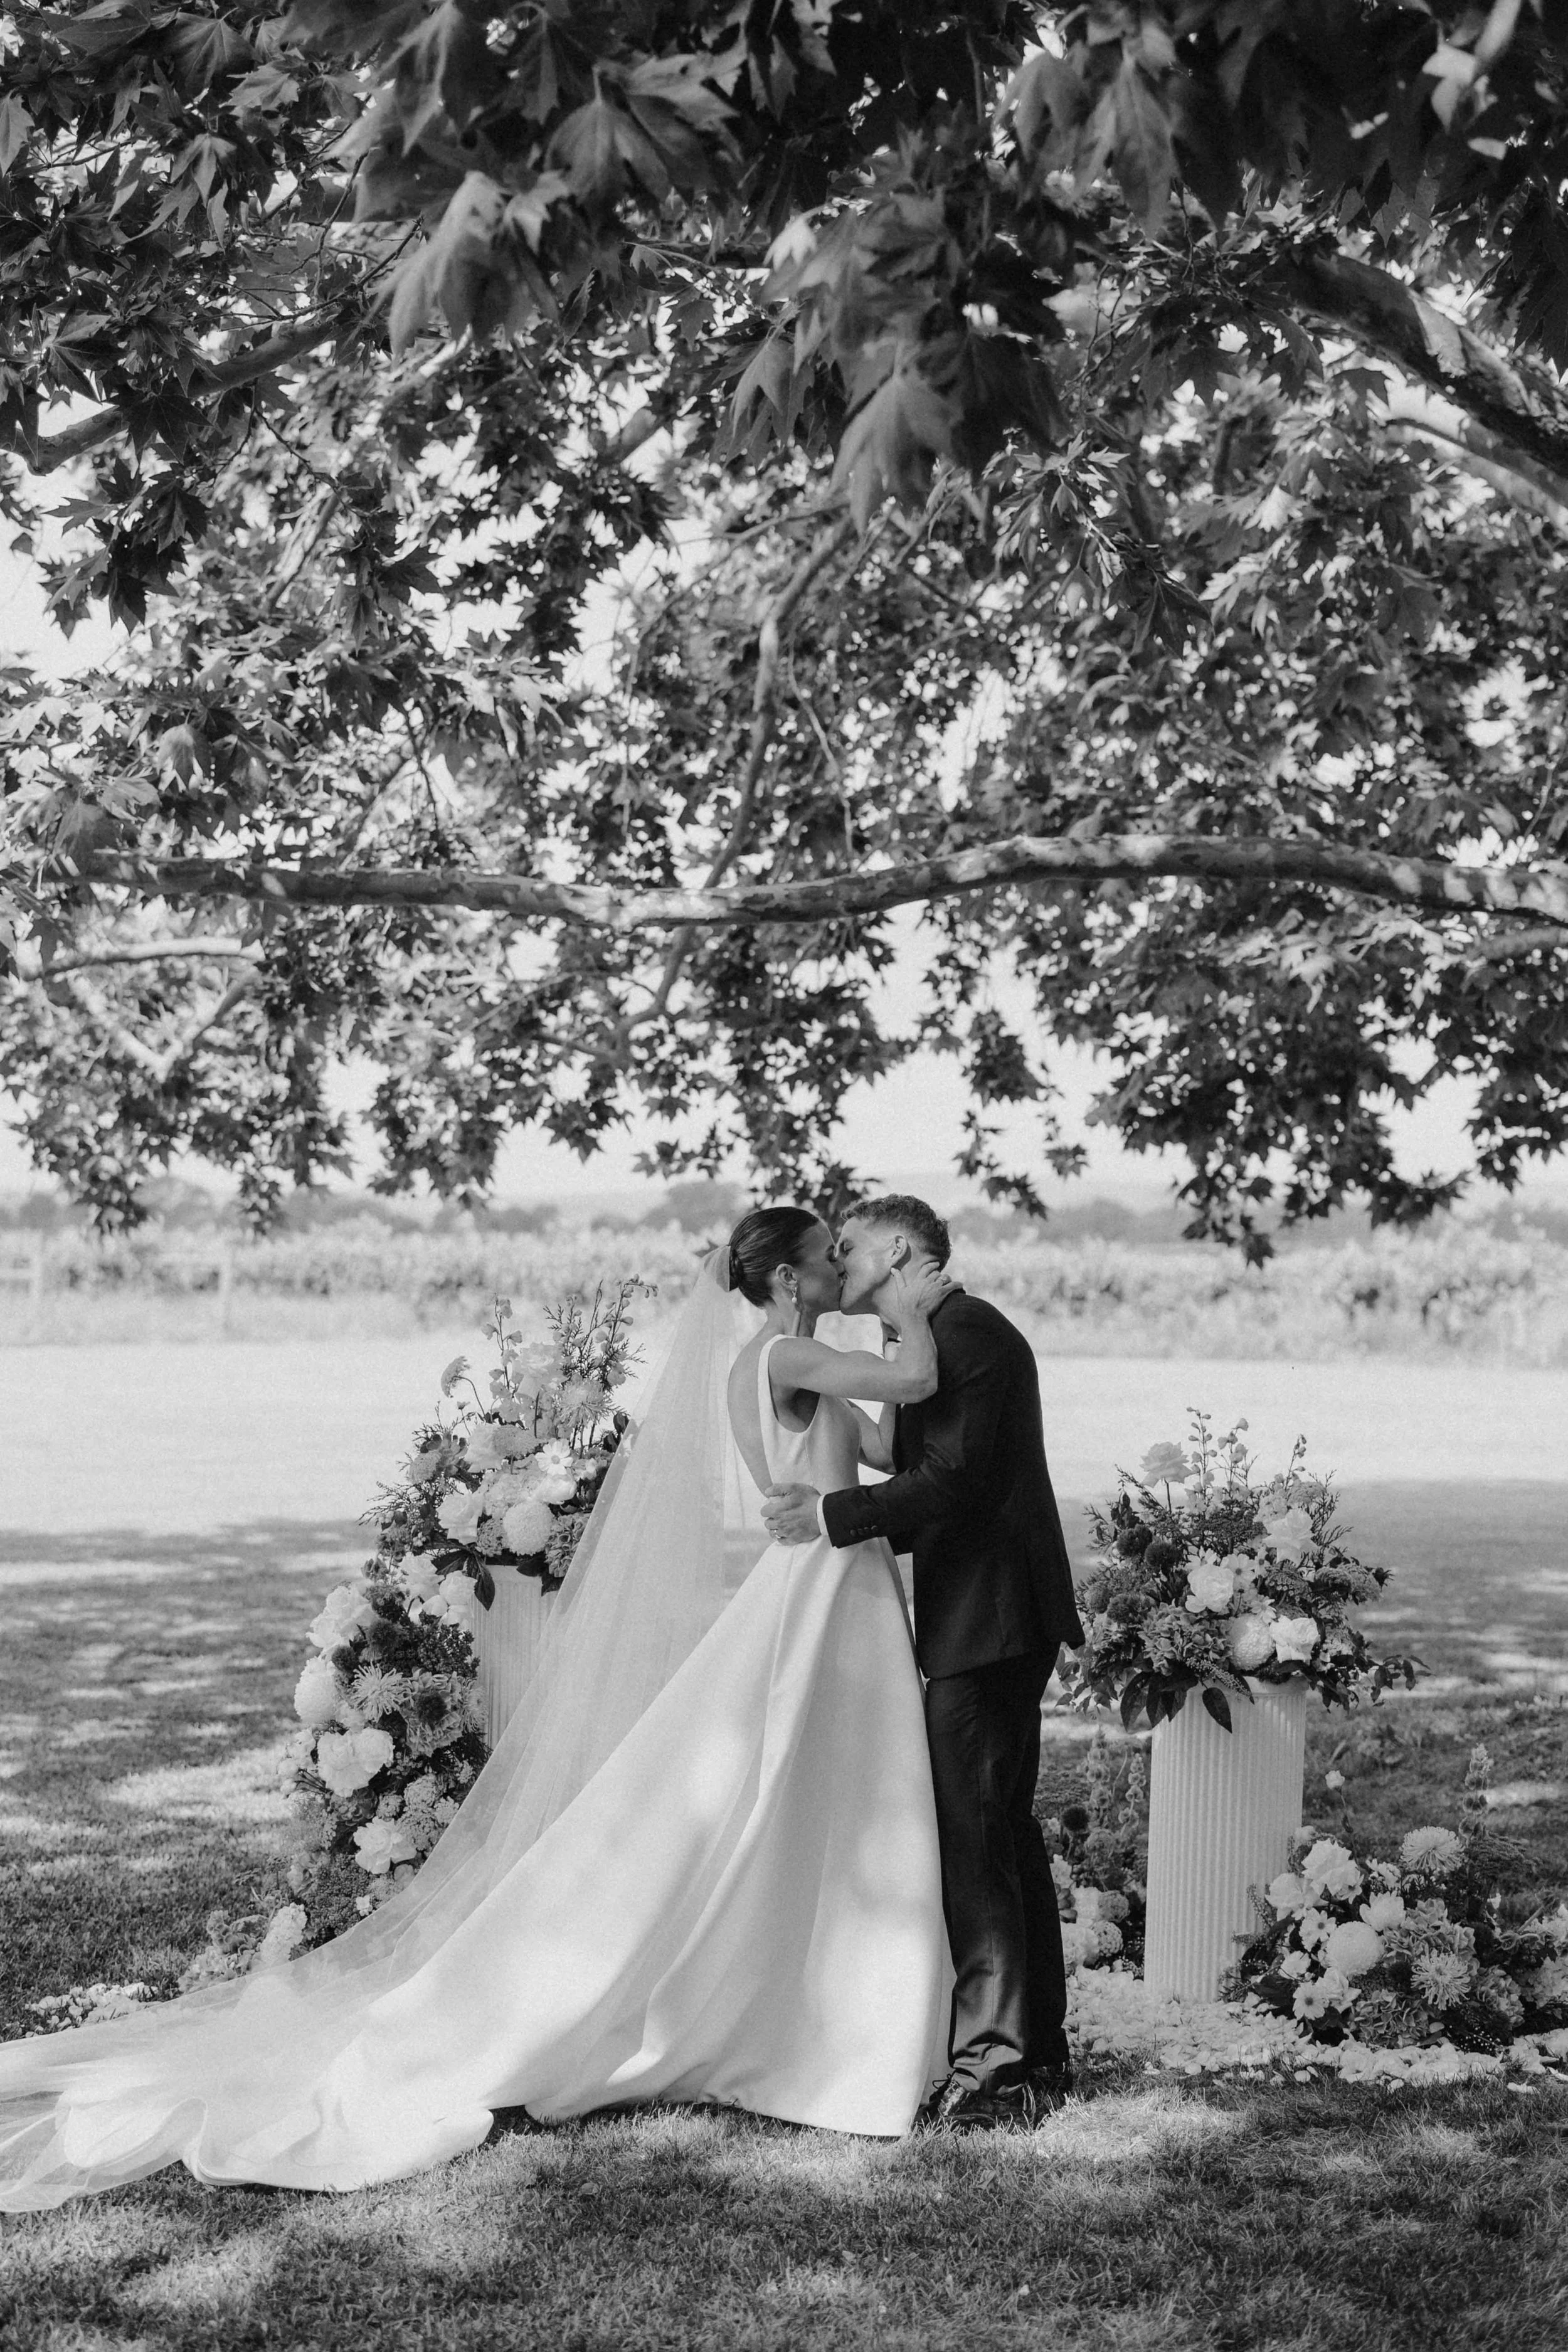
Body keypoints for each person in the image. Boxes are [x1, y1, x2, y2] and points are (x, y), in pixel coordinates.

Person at [0, 1209, 956, 2207]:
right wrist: (907, 1298)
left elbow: (885, 1441)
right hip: (826, 1589)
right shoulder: (794, 1352)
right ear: (795, 1275)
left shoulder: (763, 1361)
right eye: (832, 1253)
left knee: (797, 1790)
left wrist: (880, 1339)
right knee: (803, 1785)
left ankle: (811, 1994)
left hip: (825, 1577)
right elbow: (920, 1383)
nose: (843, 1263)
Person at [762, 1194, 1084, 2131]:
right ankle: (1037, 2054)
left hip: (992, 1618)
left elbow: (951, 1482)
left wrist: (828, 1517)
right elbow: (905, 1445)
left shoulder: (971, 1333)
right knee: (1003, 1838)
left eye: (851, 1245)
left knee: (979, 1843)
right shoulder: (934, 1339)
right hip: (982, 1614)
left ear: (900, 1248)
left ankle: (996, 2075)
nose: (838, 1256)